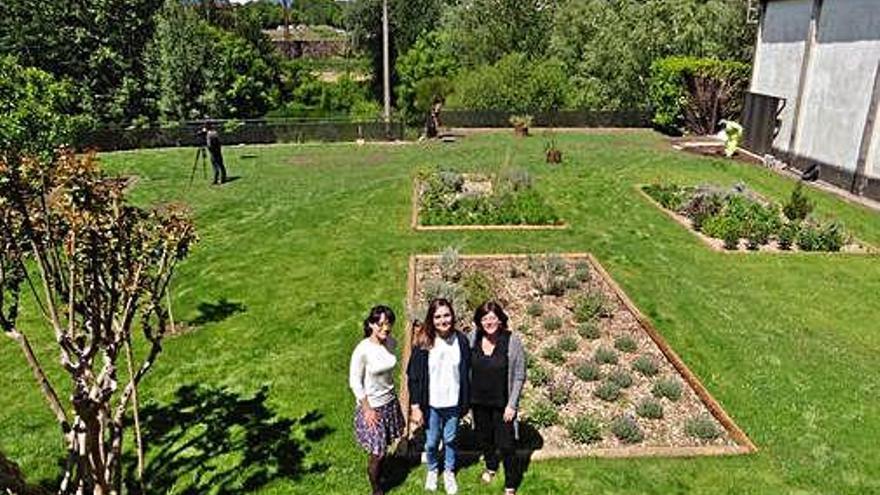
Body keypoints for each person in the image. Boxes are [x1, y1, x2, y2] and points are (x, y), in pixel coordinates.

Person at [407, 299, 471, 494]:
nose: (443, 320)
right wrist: (415, 406)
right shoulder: (424, 342)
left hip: (453, 402)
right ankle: (433, 469)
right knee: (432, 441)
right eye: (438, 316)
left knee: (450, 439)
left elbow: (467, 372)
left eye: (446, 315)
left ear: (452, 316)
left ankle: (449, 470)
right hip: (431, 404)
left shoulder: (461, 340)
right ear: (431, 319)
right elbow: (414, 377)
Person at [468, 301, 526, 495]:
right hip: (478, 402)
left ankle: (510, 485)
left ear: (500, 319)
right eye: (484, 318)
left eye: (492, 317)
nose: (489, 322)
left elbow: (519, 374)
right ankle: (491, 467)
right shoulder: (473, 337)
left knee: (507, 445)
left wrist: (512, 405)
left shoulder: (512, 341)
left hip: (503, 405)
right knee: (485, 440)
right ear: (479, 321)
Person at [349, 305, 405, 495]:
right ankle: (377, 489)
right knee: (378, 453)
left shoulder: (391, 343)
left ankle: (382, 471)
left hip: (389, 401)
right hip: (373, 407)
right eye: (380, 324)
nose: (385, 329)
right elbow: (354, 382)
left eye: (388, 324)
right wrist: (367, 409)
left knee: (386, 443)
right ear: (371, 325)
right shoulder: (362, 350)